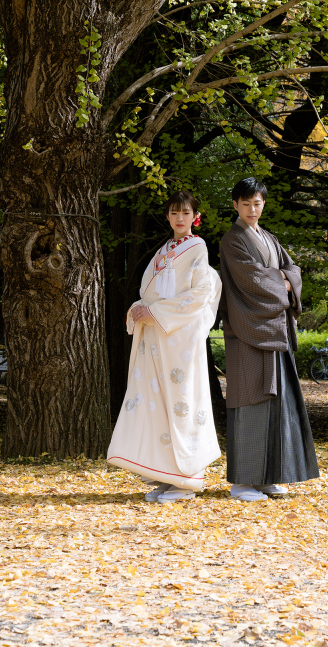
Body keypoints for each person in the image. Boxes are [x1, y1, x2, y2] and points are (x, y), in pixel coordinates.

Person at [107, 190, 222, 503]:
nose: (179, 218)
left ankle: (186, 481)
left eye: (185, 212)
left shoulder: (197, 247)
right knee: (156, 406)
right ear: (168, 216)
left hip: (179, 339)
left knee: (182, 403)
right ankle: (166, 476)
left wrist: (155, 311)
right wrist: (140, 308)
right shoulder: (165, 249)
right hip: (158, 337)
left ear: (195, 216)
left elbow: (200, 293)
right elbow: (150, 292)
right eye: (174, 212)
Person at [219, 177, 319, 501]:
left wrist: (286, 279)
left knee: (277, 405)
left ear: (263, 204)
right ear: (235, 205)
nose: (252, 209)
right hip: (248, 331)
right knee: (250, 401)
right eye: (245, 203)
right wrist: (284, 283)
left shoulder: (269, 238)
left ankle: (266, 478)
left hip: (274, 330)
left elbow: (294, 270)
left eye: (257, 203)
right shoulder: (232, 240)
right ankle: (242, 482)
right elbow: (253, 280)